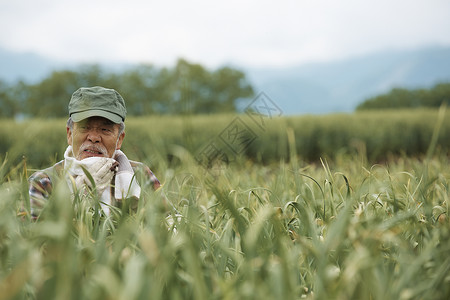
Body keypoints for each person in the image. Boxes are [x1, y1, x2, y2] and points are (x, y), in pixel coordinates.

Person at [28, 86, 160, 219]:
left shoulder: (139, 175)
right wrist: (79, 198)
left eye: (105, 129)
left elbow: (172, 224)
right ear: (69, 134)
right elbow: (30, 235)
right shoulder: (43, 182)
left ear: (119, 139)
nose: (94, 138)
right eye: (85, 127)